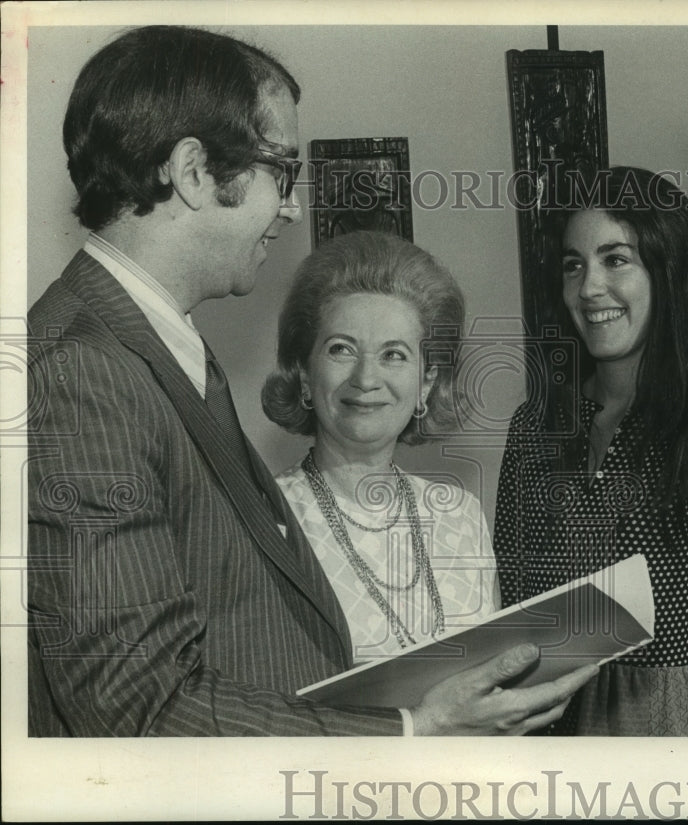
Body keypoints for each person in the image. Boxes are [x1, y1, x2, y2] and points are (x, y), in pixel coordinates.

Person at [26, 24, 596, 737]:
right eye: (281, 170)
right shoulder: (81, 371)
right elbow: (141, 708)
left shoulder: (155, 349)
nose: (290, 206)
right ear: (195, 170)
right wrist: (410, 733)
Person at [493, 166, 688, 736]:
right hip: (544, 720)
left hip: (664, 728)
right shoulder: (533, 427)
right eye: (574, 265)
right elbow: (513, 605)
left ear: (669, 271)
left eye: (615, 259)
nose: (589, 286)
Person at [262, 231, 499, 660]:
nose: (366, 379)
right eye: (341, 349)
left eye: (394, 355)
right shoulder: (263, 520)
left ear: (426, 382)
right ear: (302, 374)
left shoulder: (462, 515)